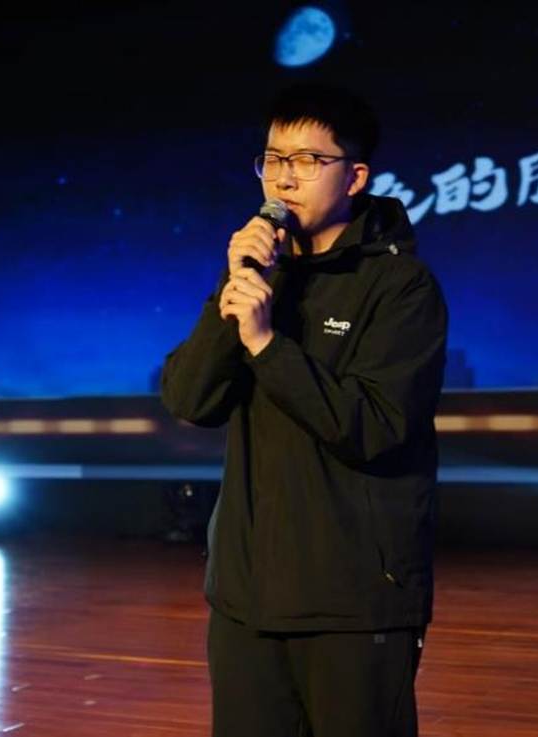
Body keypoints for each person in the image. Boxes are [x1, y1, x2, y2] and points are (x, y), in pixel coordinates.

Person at [160, 82, 448, 737]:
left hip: (354, 600)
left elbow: (375, 426)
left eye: (309, 160)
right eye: (273, 159)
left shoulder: (400, 287)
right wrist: (235, 285)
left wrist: (268, 345)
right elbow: (189, 398)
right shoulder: (260, 273)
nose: (284, 178)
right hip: (246, 597)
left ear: (355, 176)